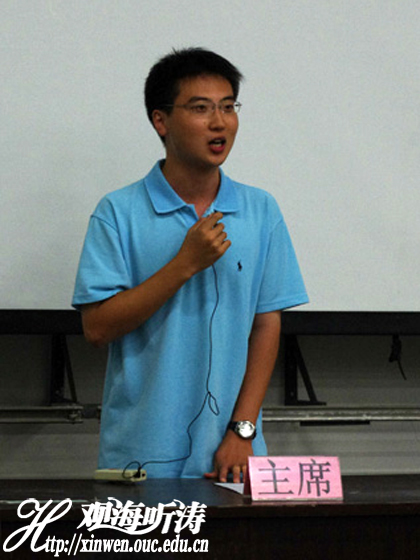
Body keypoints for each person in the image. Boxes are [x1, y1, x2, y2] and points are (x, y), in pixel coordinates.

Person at [72, 47, 308, 482]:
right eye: (201, 108)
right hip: (140, 457)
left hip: (233, 457)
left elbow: (265, 325)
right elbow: (97, 328)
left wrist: (243, 430)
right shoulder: (118, 212)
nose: (220, 122)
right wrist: (183, 264)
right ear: (160, 121)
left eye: (228, 107)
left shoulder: (260, 210)